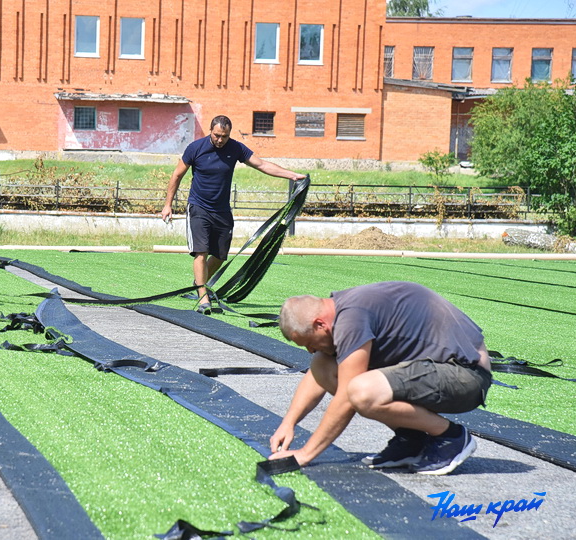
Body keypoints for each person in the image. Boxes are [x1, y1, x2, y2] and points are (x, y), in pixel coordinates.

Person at [269, 281, 492, 476]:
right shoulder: (341, 310)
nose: (309, 350)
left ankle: (450, 437)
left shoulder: (352, 317)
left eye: (309, 342)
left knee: (361, 392)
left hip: (467, 375)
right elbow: (317, 374)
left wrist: (305, 455)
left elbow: (347, 396)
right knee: (323, 363)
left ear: (320, 324)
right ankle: (410, 440)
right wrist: (288, 423)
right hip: (439, 368)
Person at [160, 115, 306, 314]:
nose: (220, 140)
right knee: (201, 252)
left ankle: (198, 282)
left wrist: (292, 175)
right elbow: (177, 175)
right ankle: (203, 296)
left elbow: (261, 165)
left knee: (220, 256)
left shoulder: (235, 148)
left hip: (222, 210)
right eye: (217, 135)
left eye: (224, 136)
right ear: (210, 131)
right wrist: (167, 205)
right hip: (198, 207)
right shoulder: (196, 148)